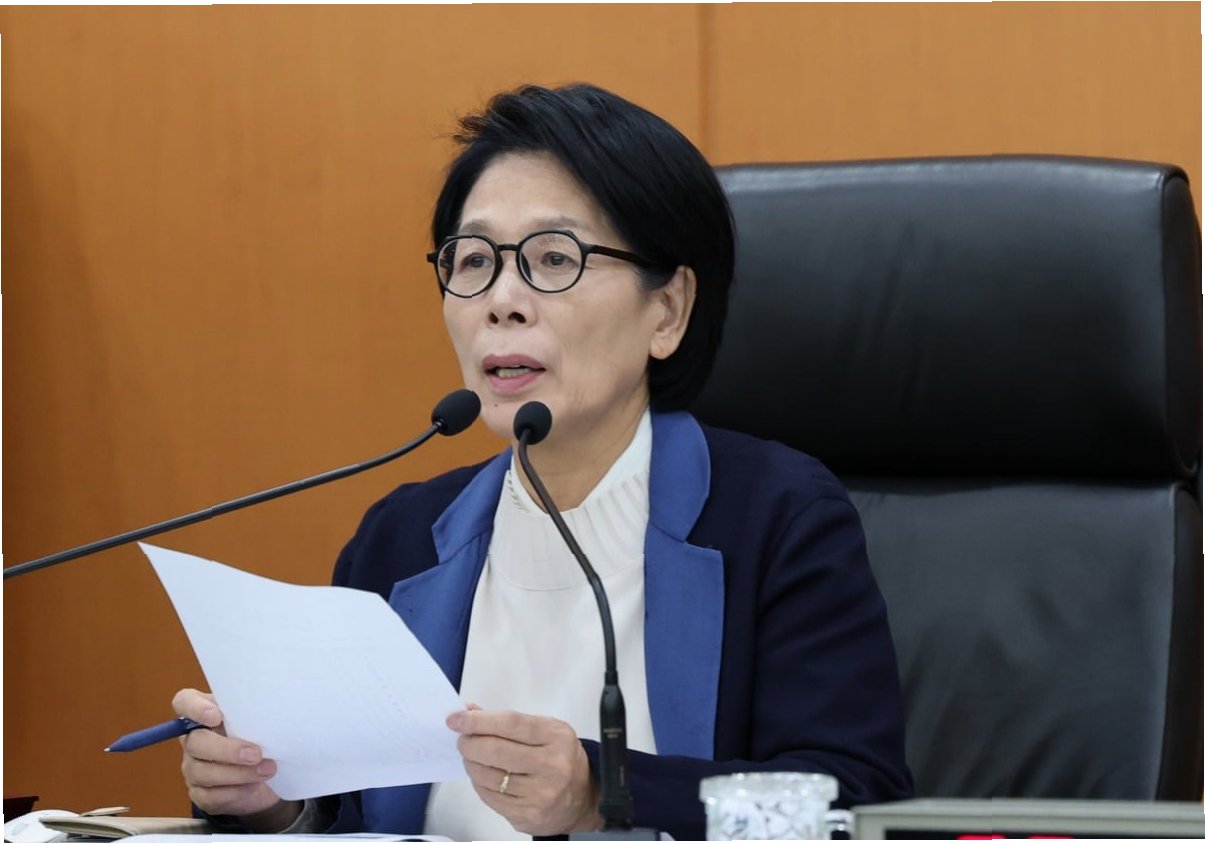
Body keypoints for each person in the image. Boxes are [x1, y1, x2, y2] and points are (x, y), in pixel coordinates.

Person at [171, 82, 913, 840]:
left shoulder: (775, 517)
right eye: (473, 261)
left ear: (667, 310)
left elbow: (845, 806)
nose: (502, 301)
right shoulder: (400, 539)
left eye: (553, 257)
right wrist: (274, 800)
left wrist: (606, 794)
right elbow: (354, 810)